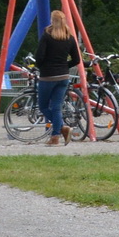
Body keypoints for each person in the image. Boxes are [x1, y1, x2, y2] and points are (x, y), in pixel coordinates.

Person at [33, 11, 79, 145]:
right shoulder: (70, 37)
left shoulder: (47, 36)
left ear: (53, 21)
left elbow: (39, 57)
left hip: (48, 76)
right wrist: (65, 65)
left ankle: (61, 128)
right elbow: (76, 59)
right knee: (56, 107)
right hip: (64, 76)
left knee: (43, 106)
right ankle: (56, 136)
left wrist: (41, 67)